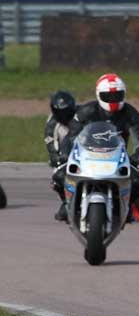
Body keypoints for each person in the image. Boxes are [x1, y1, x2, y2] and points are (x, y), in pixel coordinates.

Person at [66, 73, 139, 210]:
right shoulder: (86, 111)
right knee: (59, 176)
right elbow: (70, 137)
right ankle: (68, 204)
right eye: (108, 96)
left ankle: (126, 206)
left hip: (116, 157)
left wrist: (134, 159)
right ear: (99, 95)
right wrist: (67, 154)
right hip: (87, 156)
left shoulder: (131, 113)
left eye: (117, 96)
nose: (113, 100)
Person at [45, 90, 78, 221]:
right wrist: (56, 158)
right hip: (66, 159)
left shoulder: (82, 115)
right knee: (57, 177)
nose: (64, 115)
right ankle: (67, 201)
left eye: (67, 111)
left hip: (87, 154)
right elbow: (51, 143)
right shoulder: (52, 123)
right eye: (60, 112)